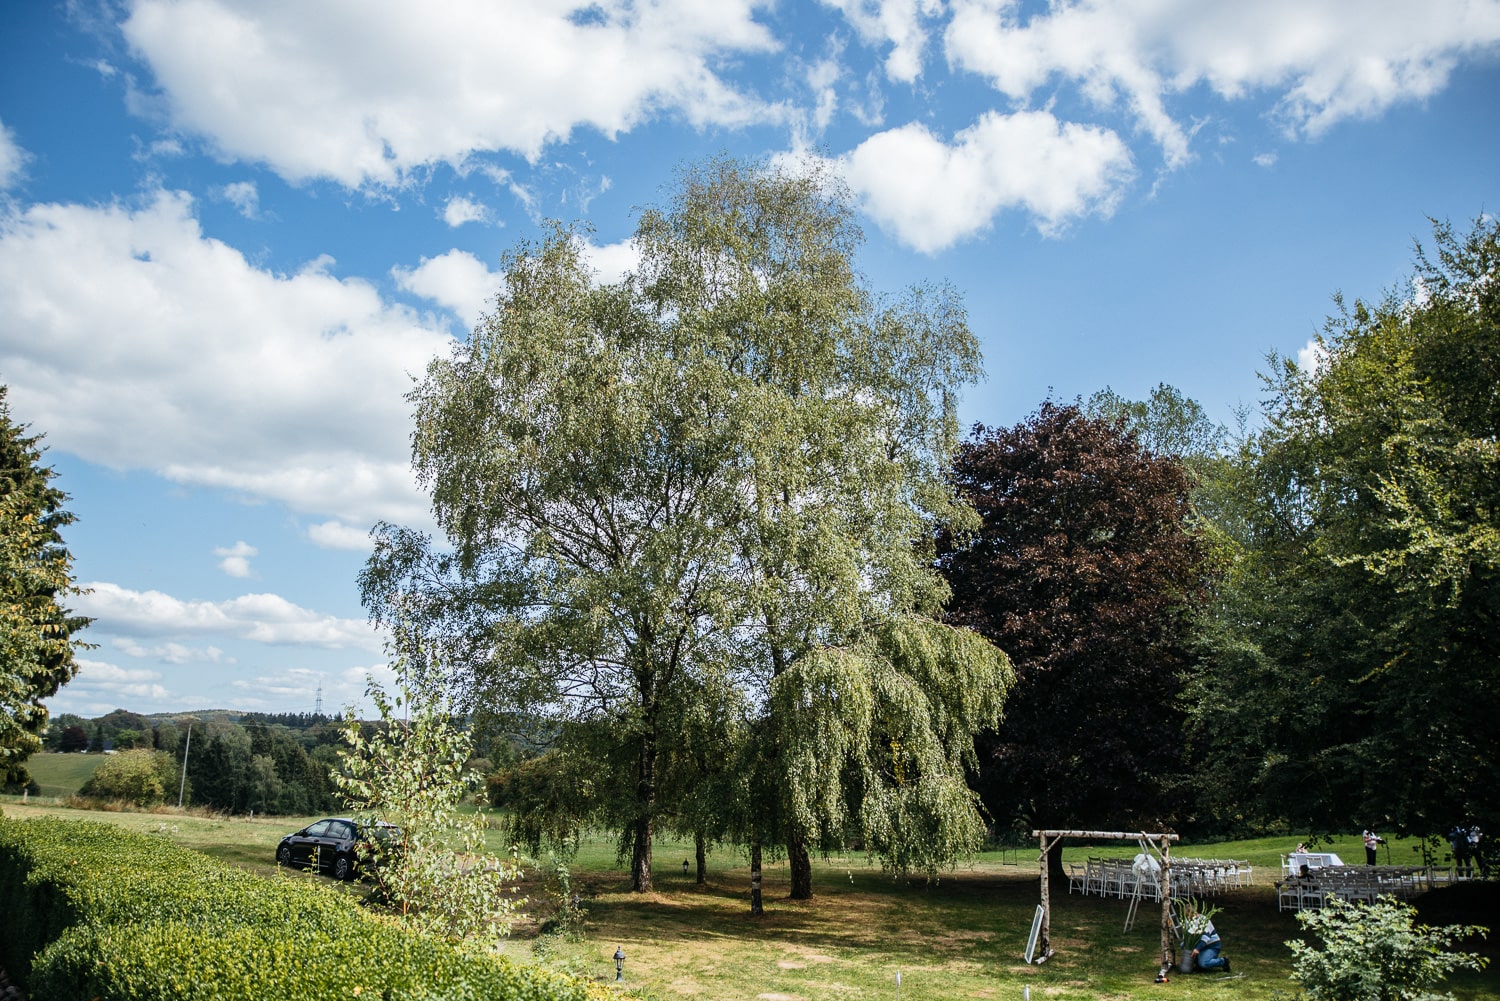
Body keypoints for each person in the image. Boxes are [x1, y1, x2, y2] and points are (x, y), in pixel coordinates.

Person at [1184, 903, 1230, 973]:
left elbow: (1205, 937)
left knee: (1204, 963)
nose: (1186, 916)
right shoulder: (1189, 921)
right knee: (1183, 945)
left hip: (1211, 946)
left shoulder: (1204, 920)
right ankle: (1197, 963)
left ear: (1192, 913)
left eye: (1187, 915)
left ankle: (1223, 961)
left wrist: (1197, 949)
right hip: (1201, 946)